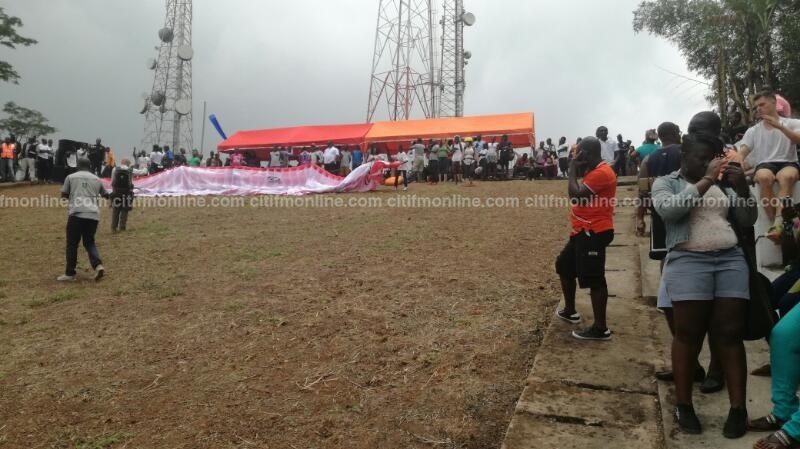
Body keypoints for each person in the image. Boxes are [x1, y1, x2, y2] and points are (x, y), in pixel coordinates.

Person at [652, 115, 757, 438]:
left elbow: (747, 218)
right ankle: (685, 405)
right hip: (688, 260)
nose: (707, 164)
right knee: (688, 335)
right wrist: (707, 180)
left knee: (729, 333)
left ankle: (738, 409)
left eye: (711, 160)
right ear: (684, 158)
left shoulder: (725, 183)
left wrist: (741, 188)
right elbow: (670, 211)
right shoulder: (666, 182)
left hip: (729, 259)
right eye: (700, 159)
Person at [555, 137, 617, 341]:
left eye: (578, 153)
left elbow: (576, 196)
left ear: (586, 154)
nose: (575, 156)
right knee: (564, 266)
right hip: (582, 230)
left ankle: (601, 328)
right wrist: (578, 167)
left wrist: (572, 168)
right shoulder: (594, 170)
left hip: (594, 232)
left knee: (594, 278)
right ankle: (570, 311)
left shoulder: (601, 173)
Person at [737, 91, 800, 241]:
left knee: (788, 176)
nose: (758, 109)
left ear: (773, 102)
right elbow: (743, 151)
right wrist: (738, 160)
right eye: (756, 106)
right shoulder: (753, 130)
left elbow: (798, 140)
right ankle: (775, 225)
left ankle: (778, 223)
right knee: (764, 177)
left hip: (788, 162)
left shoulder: (793, 123)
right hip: (765, 164)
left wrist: (780, 126)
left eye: (762, 104)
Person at [58, 157, 109, 282]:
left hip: (77, 214)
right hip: (93, 215)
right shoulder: (97, 179)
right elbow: (106, 195)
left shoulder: (71, 177)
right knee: (89, 242)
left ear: (78, 166)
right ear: (90, 166)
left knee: (72, 244)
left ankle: (70, 273)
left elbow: (64, 195)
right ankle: (98, 265)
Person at [110, 158, 134, 233]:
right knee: (124, 210)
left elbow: (112, 182)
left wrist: (113, 192)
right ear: (127, 163)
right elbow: (142, 172)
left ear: (121, 162)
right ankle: (122, 227)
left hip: (116, 192)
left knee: (116, 210)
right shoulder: (130, 170)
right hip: (126, 193)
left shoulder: (115, 169)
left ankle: (114, 227)